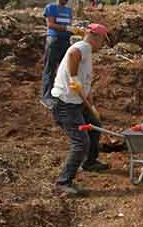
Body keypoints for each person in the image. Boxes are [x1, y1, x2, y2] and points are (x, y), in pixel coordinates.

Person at [51, 23, 110, 195]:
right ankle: (63, 182)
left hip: (77, 102)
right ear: (96, 37)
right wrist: (74, 77)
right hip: (65, 103)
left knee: (95, 126)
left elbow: (85, 84)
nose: (102, 45)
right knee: (80, 142)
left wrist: (91, 105)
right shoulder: (82, 47)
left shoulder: (88, 52)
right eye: (103, 41)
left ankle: (90, 162)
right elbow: (72, 54)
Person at [41, 0, 85, 109]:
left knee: (64, 69)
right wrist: (67, 28)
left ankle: (61, 94)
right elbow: (50, 24)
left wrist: (76, 30)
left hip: (65, 41)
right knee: (49, 69)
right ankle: (46, 97)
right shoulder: (51, 8)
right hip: (53, 40)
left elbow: (68, 26)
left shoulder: (68, 11)